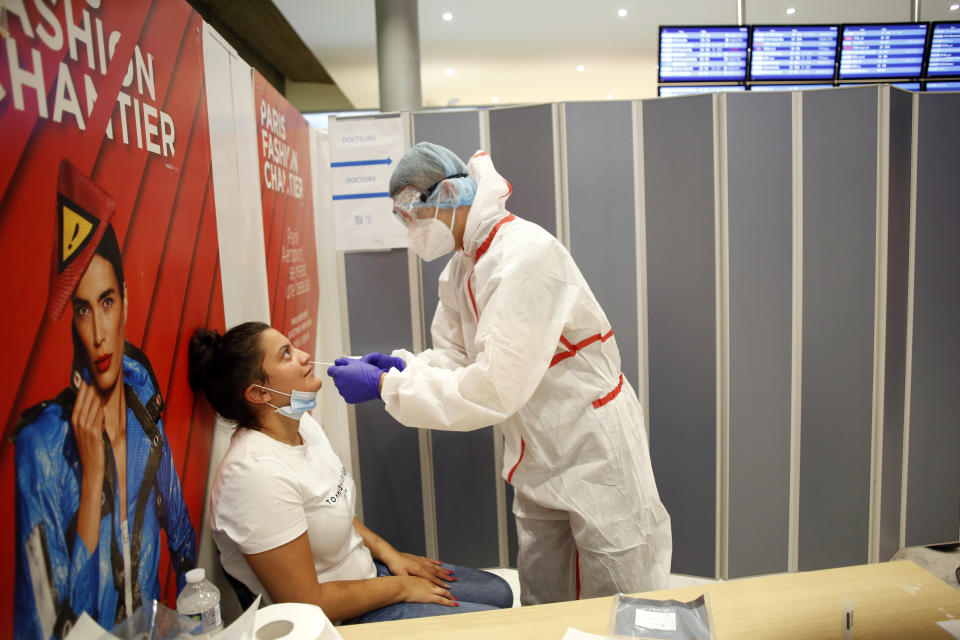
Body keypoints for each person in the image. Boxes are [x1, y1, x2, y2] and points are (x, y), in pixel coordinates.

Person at [327, 142, 673, 605]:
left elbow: (492, 387)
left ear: (448, 191)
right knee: (544, 592)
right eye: (400, 215)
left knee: (622, 591)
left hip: (592, 446)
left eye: (411, 209)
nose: (409, 226)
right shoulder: (461, 269)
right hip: (536, 449)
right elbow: (455, 358)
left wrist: (388, 387)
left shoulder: (522, 258)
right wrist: (403, 366)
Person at [187, 321, 512, 623]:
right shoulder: (254, 476)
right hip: (338, 617)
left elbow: (330, 507)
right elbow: (307, 603)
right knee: (496, 625)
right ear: (259, 393)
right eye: (286, 354)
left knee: (500, 594)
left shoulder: (302, 426)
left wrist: (391, 555)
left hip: (366, 577)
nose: (304, 356)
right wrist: (401, 589)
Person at [14, 160, 197, 639]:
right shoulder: (43, 451)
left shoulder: (144, 413)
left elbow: (180, 536)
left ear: (126, 302)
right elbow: (50, 628)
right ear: (72, 323)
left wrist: (197, 619)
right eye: (83, 310)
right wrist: (93, 477)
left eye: (107, 302)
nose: (99, 332)